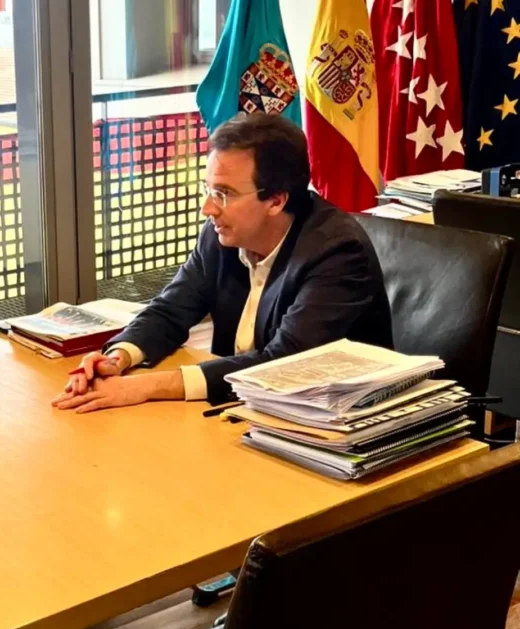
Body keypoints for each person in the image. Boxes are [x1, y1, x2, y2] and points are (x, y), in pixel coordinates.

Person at [53, 113, 393, 413]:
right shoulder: (223, 234)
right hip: (243, 411)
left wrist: (146, 386)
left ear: (276, 200)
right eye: (208, 190)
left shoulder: (337, 252)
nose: (208, 208)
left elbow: (283, 363)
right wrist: (118, 358)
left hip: (328, 425)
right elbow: (170, 311)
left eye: (224, 194)